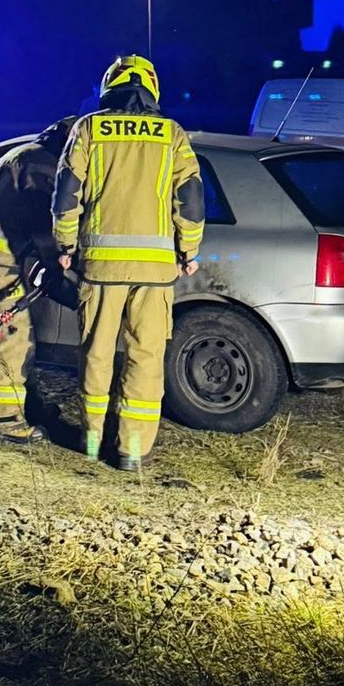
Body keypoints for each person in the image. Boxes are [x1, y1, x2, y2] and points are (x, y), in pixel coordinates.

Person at [52, 55, 204, 470]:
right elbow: (190, 199)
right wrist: (188, 251)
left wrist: (65, 245)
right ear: (152, 90)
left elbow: (67, 194)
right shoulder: (171, 134)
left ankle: (90, 441)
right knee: (146, 357)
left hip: (100, 268)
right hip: (156, 273)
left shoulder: (88, 129)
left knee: (97, 354)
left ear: (108, 87)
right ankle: (131, 452)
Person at [0, 118, 76, 441]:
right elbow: (41, 222)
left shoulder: (32, 154)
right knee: (12, 332)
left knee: (19, 330)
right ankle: (4, 421)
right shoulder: (40, 162)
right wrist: (55, 265)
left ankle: (24, 406)